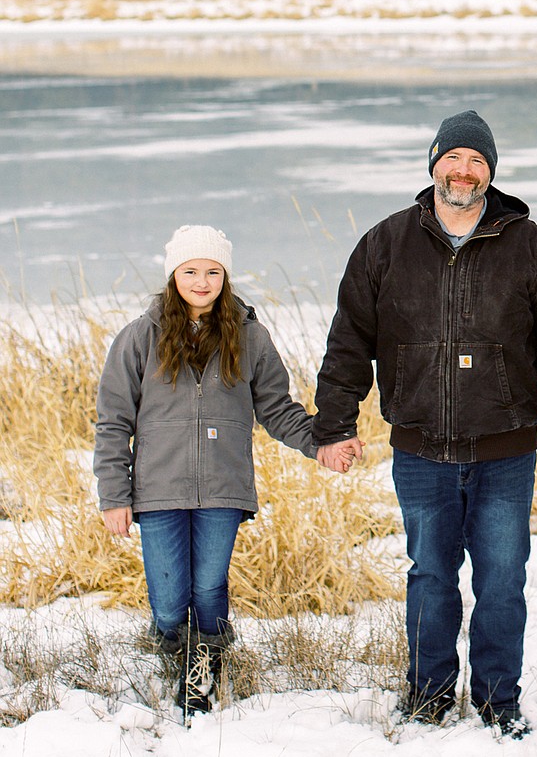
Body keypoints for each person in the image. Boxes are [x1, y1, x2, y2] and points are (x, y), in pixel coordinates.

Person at [312, 110, 537, 737]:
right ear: (434, 163)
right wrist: (335, 424)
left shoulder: (529, 244)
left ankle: (499, 701)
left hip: (505, 451)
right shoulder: (387, 244)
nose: (464, 172)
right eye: (454, 159)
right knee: (431, 576)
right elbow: (349, 343)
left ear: (490, 173)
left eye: (477, 162)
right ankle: (428, 695)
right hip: (421, 449)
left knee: (501, 580)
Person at [94, 225, 357, 718]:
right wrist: (114, 496)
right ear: (173, 275)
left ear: (225, 277)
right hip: (157, 490)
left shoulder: (250, 336)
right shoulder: (138, 338)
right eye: (191, 271)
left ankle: (204, 667)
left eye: (213, 271)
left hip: (223, 487)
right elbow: (113, 422)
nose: (202, 281)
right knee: (170, 598)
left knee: (209, 586)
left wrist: (321, 444)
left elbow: (276, 408)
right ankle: (175, 645)